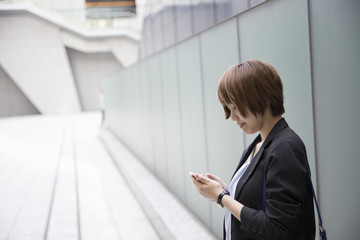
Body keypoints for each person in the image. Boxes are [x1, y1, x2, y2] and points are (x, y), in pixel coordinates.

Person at [190, 59, 315, 239]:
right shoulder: (259, 143)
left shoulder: (285, 146)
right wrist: (226, 191)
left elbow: (277, 227)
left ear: (262, 98)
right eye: (228, 108)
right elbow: (258, 202)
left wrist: (221, 198)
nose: (232, 116)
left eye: (235, 106)